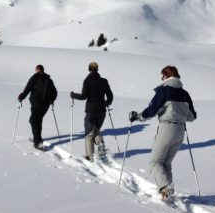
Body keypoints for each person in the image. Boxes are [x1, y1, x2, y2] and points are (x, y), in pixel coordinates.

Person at [129, 65, 196, 201]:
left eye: (162, 76)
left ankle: (165, 188)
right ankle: (168, 194)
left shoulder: (164, 91)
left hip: (167, 128)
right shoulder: (185, 94)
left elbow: (152, 110)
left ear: (166, 76)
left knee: (155, 162)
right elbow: (192, 117)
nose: (161, 78)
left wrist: (138, 117)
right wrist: (180, 114)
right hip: (180, 131)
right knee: (166, 164)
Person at [70, 62, 113, 161]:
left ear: (89, 69)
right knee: (96, 130)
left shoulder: (87, 81)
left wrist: (73, 95)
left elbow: (83, 96)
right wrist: (107, 103)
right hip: (102, 110)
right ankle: (100, 142)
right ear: (97, 69)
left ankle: (90, 156)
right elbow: (110, 95)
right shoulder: (104, 81)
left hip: (90, 111)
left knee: (89, 134)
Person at [18, 65, 58, 150]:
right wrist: (51, 100)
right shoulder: (49, 79)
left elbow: (27, 89)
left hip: (36, 104)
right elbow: (55, 92)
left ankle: (37, 143)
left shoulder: (34, 78)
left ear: (37, 70)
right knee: (38, 120)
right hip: (45, 105)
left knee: (33, 120)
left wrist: (21, 97)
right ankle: (38, 138)